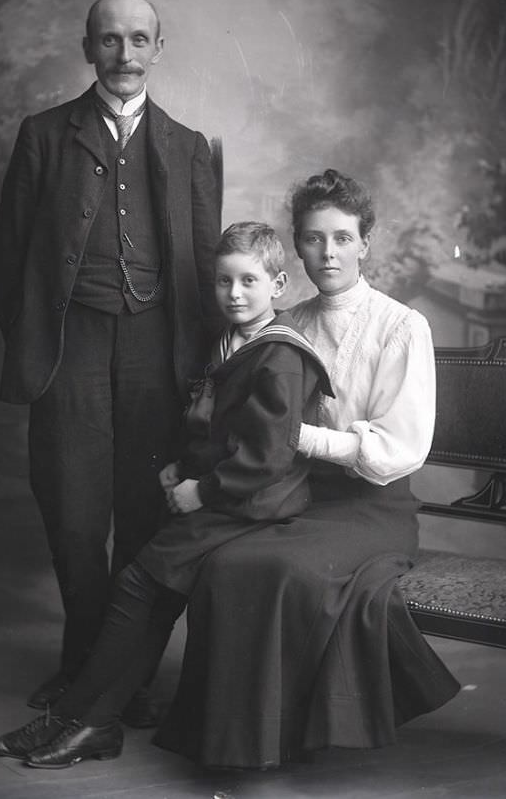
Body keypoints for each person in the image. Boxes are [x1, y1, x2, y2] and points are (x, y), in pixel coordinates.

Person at [0, 221, 334, 768]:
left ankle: (80, 718)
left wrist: (204, 491)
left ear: (279, 284)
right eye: (223, 282)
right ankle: (86, 721)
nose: (234, 294)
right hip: (228, 496)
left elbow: (268, 457)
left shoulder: (280, 356)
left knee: (137, 584)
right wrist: (181, 466)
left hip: (255, 505)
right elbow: (213, 426)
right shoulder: (228, 340)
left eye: (249, 281)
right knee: (148, 595)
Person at [152, 169, 461, 769]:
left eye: (343, 238)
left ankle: (268, 741)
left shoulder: (402, 326)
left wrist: (299, 437)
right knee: (225, 564)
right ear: (296, 247)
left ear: (365, 243)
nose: (329, 253)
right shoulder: (284, 321)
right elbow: (240, 419)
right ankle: (231, 740)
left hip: (372, 505)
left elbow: (401, 450)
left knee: (276, 567)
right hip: (295, 495)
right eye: (314, 239)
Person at [0, 0, 221, 718]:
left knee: (146, 513)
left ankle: (129, 676)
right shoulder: (45, 134)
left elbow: (209, 265)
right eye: (110, 41)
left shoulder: (188, 146)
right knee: (75, 513)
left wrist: (200, 366)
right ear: (88, 47)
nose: (125, 55)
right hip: (72, 347)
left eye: (139, 40)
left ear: (159, 47)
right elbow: (9, 259)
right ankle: (83, 667)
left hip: (159, 352)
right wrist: (39, 339)